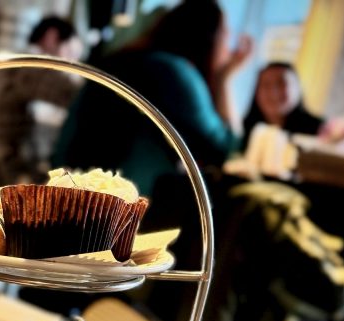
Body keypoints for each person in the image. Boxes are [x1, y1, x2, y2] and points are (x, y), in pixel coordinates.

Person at [56, 0, 252, 204]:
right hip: (122, 208)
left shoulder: (121, 59)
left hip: (71, 192)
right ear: (212, 40)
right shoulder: (176, 74)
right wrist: (225, 79)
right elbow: (228, 150)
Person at [0, 16, 83, 186]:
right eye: (68, 52)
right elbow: (69, 94)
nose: (69, 61)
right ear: (52, 37)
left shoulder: (19, 58)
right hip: (6, 153)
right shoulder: (29, 62)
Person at [242, 61, 323, 144]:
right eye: (266, 85)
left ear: (298, 88)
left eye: (281, 83)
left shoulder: (320, 132)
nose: (273, 93)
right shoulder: (243, 130)